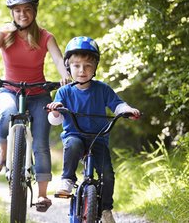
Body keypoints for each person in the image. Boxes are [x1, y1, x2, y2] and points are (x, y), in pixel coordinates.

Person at [0, 0, 69, 213]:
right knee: (7, 113)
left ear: (34, 11)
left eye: (27, 10)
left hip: (38, 94)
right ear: (11, 13)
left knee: (41, 144)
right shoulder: (4, 34)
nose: (22, 14)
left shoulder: (46, 36)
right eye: (17, 10)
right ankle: (3, 151)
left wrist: (65, 75)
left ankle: (43, 195)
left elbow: (58, 58)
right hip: (9, 91)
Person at [47, 36, 141, 223]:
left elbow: (117, 105)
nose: (82, 70)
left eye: (88, 66)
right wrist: (56, 110)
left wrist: (127, 110)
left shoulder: (102, 89)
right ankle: (67, 179)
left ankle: (106, 209)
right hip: (75, 135)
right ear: (68, 67)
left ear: (95, 67)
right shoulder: (64, 91)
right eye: (76, 66)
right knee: (73, 145)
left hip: (98, 138)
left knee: (107, 173)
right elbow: (54, 120)